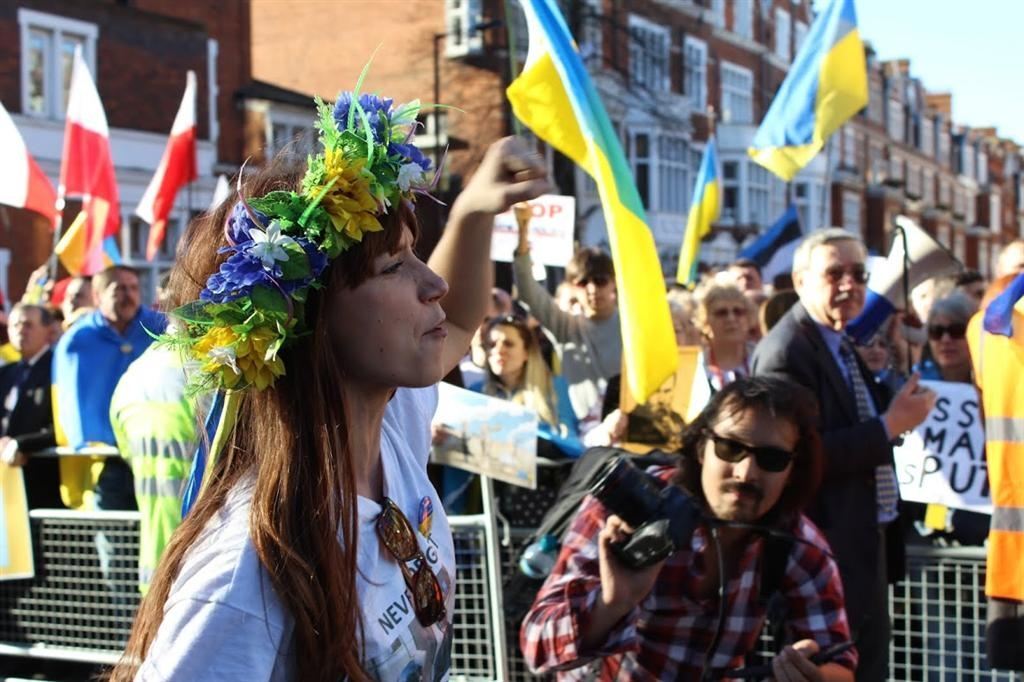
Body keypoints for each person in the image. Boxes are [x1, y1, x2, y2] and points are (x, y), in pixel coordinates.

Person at [108, 87, 549, 681]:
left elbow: (463, 320)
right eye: (394, 266)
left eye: (414, 255)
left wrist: (473, 210)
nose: (433, 285)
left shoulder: (392, 424)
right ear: (309, 321)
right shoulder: (245, 574)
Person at [520, 376, 855, 680]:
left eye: (771, 459)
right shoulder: (626, 506)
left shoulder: (797, 542)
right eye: (731, 448)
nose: (745, 473)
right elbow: (536, 647)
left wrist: (815, 677)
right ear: (701, 448)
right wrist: (610, 604)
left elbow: (841, 664)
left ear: (793, 470)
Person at [752, 228, 936, 681]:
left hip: (860, 544)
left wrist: (893, 409)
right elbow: (793, 459)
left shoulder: (839, 341)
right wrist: (889, 425)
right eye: (834, 273)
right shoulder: (786, 350)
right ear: (800, 280)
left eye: (859, 273)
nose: (849, 284)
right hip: (818, 553)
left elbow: (856, 422)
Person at [52, 265, 167, 511]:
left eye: (134, 288)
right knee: (113, 536)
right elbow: (69, 403)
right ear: (98, 296)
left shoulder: (160, 328)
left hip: (153, 453)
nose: (129, 295)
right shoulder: (78, 340)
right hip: (106, 462)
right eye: (119, 289)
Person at [109, 340, 212, 593]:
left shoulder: (135, 374)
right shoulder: (212, 371)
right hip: (201, 564)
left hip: (155, 568)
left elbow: (125, 449)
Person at [513, 234, 621, 439]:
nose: (592, 289)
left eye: (600, 281)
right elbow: (527, 292)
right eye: (582, 283)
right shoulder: (565, 327)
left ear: (613, 282)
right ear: (572, 287)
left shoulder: (632, 325)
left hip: (628, 430)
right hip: (583, 435)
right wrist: (523, 243)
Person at [473, 315, 580, 457]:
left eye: (508, 344)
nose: (499, 350)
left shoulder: (555, 387)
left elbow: (571, 443)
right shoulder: (475, 393)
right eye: (492, 344)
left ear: (527, 352)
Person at [0, 303, 61, 508]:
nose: (20, 330)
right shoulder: (5, 373)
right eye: (15, 324)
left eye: (28, 325)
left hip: (42, 482)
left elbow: (60, 427)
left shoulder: (58, 368)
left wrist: (21, 443)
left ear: (48, 331)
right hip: (7, 483)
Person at [695, 282, 754, 392]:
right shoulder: (695, 367)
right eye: (721, 313)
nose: (731, 318)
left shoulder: (761, 358)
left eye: (738, 312)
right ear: (705, 320)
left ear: (748, 317)